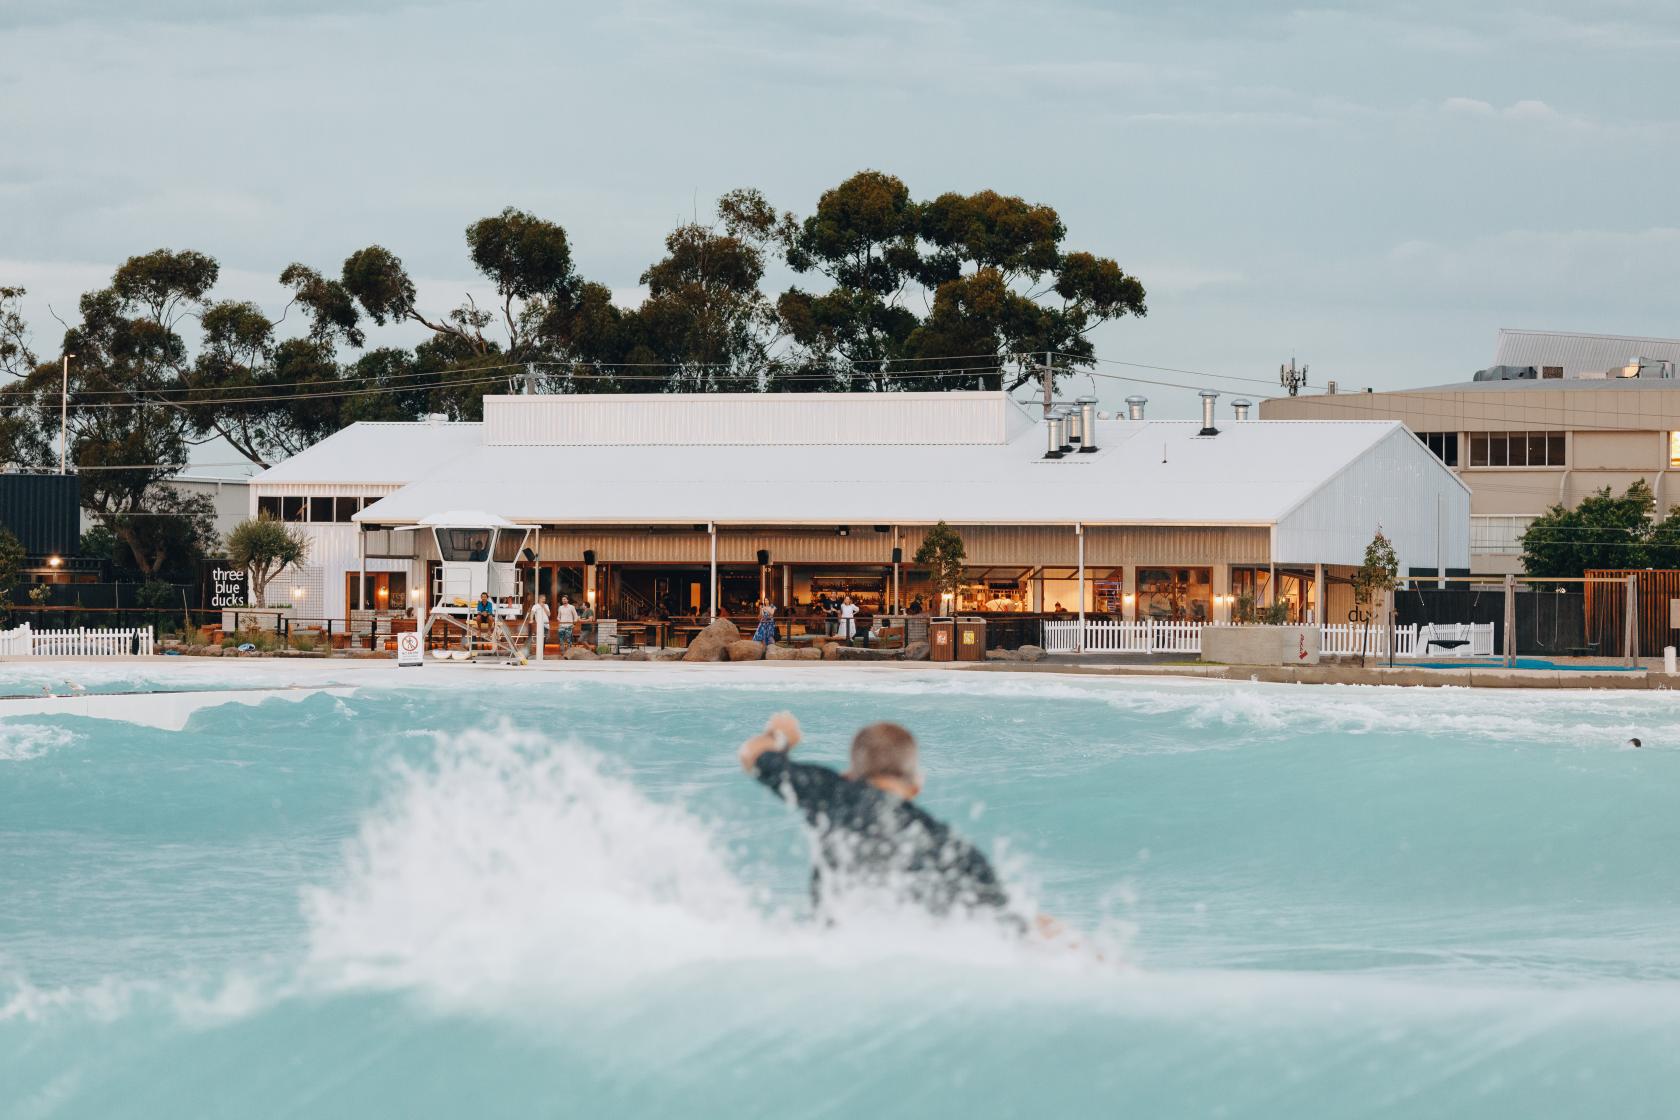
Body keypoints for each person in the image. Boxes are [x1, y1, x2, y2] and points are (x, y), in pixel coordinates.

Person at [738, 712, 1018, 925]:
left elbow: (753, 754)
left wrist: (781, 735)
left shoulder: (831, 792)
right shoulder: (945, 843)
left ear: (850, 774)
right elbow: (1006, 921)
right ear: (915, 785)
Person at [529, 596, 550, 661]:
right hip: (539, 625)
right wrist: (531, 619)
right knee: (540, 639)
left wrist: (544, 607)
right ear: (539, 599)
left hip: (546, 625)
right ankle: (539, 654)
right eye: (543, 599)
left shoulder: (546, 605)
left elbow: (549, 614)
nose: (544, 600)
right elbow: (532, 613)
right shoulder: (535, 606)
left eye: (545, 599)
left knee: (545, 639)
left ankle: (542, 653)